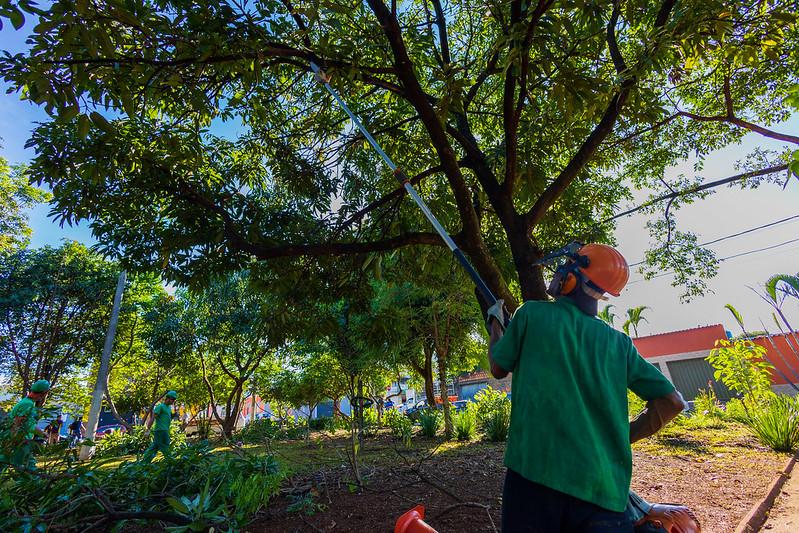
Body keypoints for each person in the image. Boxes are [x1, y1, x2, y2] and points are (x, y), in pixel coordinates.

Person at [486, 243, 687, 532]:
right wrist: (621, 436)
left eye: (563, 269)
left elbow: (498, 366)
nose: (557, 274)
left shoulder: (531, 315)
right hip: (603, 490)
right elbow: (673, 402)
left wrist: (495, 322)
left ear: (572, 279)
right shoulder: (619, 343)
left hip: (534, 476)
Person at [0, 379, 51, 473]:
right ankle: (34, 483)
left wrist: (41, 433)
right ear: (44, 393)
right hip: (19, 440)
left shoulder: (28, 402)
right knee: (27, 465)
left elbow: (28, 424)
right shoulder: (27, 404)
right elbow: (17, 422)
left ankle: (33, 481)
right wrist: (13, 440)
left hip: (19, 438)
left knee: (5, 460)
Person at [141, 390, 177, 463]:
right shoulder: (160, 406)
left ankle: (144, 462)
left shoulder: (168, 408)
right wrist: (148, 429)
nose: (173, 401)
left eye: (174, 399)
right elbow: (153, 418)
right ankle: (171, 462)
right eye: (173, 399)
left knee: (155, 447)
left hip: (165, 430)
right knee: (165, 446)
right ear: (168, 398)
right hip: (160, 430)